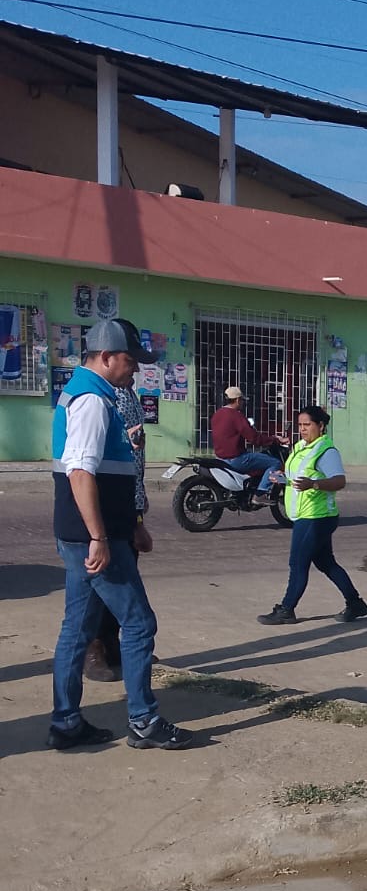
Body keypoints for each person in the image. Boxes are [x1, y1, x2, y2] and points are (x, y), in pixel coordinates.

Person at [49, 317, 191, 751]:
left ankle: (66, 722)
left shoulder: (89, 394)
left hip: (92, 532)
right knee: (138, 623)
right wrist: (100, 537)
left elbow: (111, 474)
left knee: (77, 629)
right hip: (94, 537)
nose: (136, 369)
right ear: (107, 357)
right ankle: (144, 720)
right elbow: (80, 473)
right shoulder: (92, 400)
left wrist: (134, 525)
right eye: (131, 361)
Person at [258, 406, 367, 625]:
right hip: (304, 514)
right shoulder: (300, 447)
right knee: (326, 563)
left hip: (317, 517)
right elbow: (298, 476)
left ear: (320, 426)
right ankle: (356, 603)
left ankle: (286, 609)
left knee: (298, 563)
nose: (302, 429)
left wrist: (314, 484)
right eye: (300, 425)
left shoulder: (326, 451)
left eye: (307, 425)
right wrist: (283, 477)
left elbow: (339, 481)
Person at [83, 381, 147, 682]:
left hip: (129, 501)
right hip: (105, 505)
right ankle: (93, 648)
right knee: (102, 584)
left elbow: (135, 458)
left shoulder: (129, 394)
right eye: (131, 360)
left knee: (123, 580)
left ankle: (111, 642)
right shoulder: (100, 397)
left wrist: (138, 516)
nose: (136, 368)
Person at [210, 385, 276, 501]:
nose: (243, 403)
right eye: (242, 400)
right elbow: (254, 439)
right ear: (237, 400)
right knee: (275, 463)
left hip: (220, 458)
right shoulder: (236, 416)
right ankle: (260, 494)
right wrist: (274, 439)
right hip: (237, 459)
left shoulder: (217, 414)